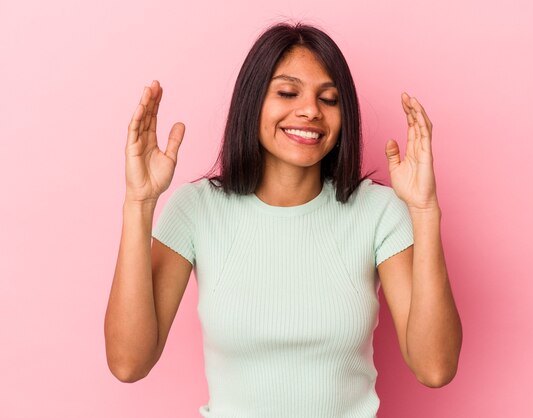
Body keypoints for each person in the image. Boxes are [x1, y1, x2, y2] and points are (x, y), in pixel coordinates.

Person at [105, 22, 462, 417]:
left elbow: (435, 368)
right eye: (288, 92)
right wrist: (139, 202)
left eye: (329, 99)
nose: (310, 110)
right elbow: (129, 362)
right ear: (252, 102)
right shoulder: (195, 209)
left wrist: (425, 210)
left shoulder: (378, 212)